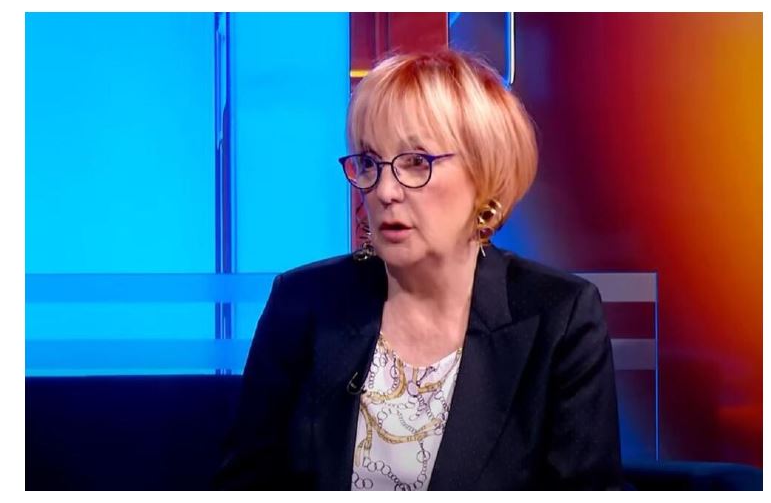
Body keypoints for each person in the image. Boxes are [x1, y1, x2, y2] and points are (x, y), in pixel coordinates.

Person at [212, 48, 622, 490]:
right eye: (370, 163)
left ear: (484, 173)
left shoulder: (558, 319)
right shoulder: (303, 304)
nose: (385, 191)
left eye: (415, 162)